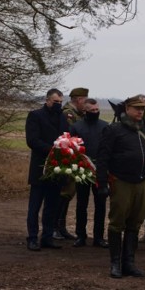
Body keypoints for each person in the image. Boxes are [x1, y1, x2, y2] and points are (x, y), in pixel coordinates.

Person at [96, 94, 145, 278]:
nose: (140, 111)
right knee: (117, 222)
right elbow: (103, 158)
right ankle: (115, 264)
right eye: (137, 108)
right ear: (127, 109)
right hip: (121, 181)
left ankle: (129, 263)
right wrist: (102, 183)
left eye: (143, 109)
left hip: (142, 182)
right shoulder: (114, 130)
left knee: (135, 223)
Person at [24, 88, 70, 251]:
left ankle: (47, 237)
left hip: (58, 168)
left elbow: (67, 137)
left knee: (52, 205)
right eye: (55, 101)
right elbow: (32, 140)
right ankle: (32, 237)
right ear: (47, 100)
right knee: (35, 206)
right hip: (40, 168)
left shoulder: (63, 118)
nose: (58, 104)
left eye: (60, 102)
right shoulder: (35, 116)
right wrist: (53, 150)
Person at [69, 98, 109, 248]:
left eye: (97, 110)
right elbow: (72, 149)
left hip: (101, 171)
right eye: (92, 110)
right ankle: (81, 236)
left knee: (101, 205)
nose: (95, 112)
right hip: (82, 170)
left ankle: (98, 237)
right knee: (81, 204)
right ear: (85, 111)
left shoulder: (105, 126)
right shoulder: (76, 127)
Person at [53, 87, 89, 241]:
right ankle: (55, 227)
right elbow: (68, 136)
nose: (86, 103)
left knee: (69, 193)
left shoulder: (79, 114)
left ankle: (61, 227)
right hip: (67, 158)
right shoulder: (68, 114)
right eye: (85, 100)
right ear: (79, 99)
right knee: (64, 193)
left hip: (74, 159)